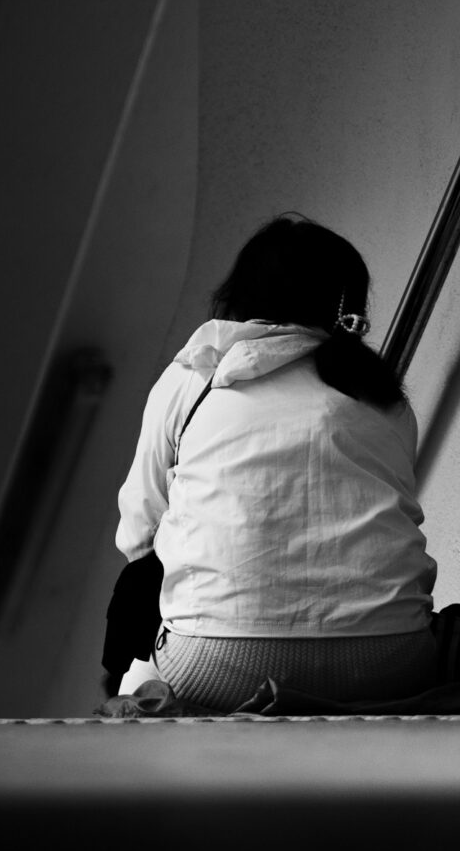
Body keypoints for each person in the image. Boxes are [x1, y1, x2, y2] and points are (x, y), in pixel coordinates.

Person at [104, 215, 439, 712]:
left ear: (243, 293)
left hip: (217, 666)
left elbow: (139, 533)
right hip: (392, 661)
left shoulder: (197, 375)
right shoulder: (384, 396)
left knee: (138, 603)